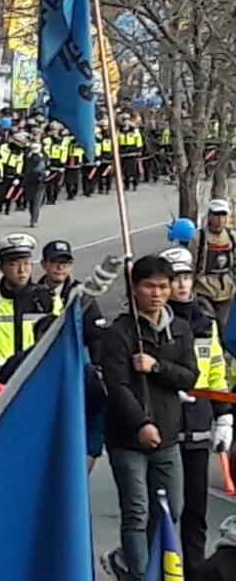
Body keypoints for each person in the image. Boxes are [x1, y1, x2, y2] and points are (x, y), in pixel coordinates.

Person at [101, 256, 198, 580]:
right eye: (149, 286)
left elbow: (189, 376)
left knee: (172, 508)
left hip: (169, 436)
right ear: (135, 288)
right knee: (136, 511)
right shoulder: (120, 332)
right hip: (128, 440)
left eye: (162, 286)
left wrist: (156, 366)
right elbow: (117, 386)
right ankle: (141, 573)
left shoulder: (181, 329)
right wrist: (141, 424)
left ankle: (140, 561)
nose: (156, 293)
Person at [159, 247, 231, 580]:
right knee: (165, 511)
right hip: (165, 427)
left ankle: (194, 572)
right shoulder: (155, 321)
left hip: (200, 426)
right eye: (175, 279)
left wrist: (223, 414)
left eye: (187, 278)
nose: (183, 286)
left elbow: (216, 369)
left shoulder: (205, 322)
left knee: (196, 511)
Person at [0, 233, 58, 364]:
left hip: (38, 373)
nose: (22, 270)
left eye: (26, 263)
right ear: (1, 268)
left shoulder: (49, 300)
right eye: (13, 264)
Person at [192, 198, 236, 336]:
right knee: (207, 329)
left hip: (225, 292)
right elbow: (191, 265)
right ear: (209, 215)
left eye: (223, 215)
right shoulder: (199, 237)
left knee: (225, 328)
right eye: (216, 214)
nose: (220, 219)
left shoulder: (232, 236)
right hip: (203, 290)